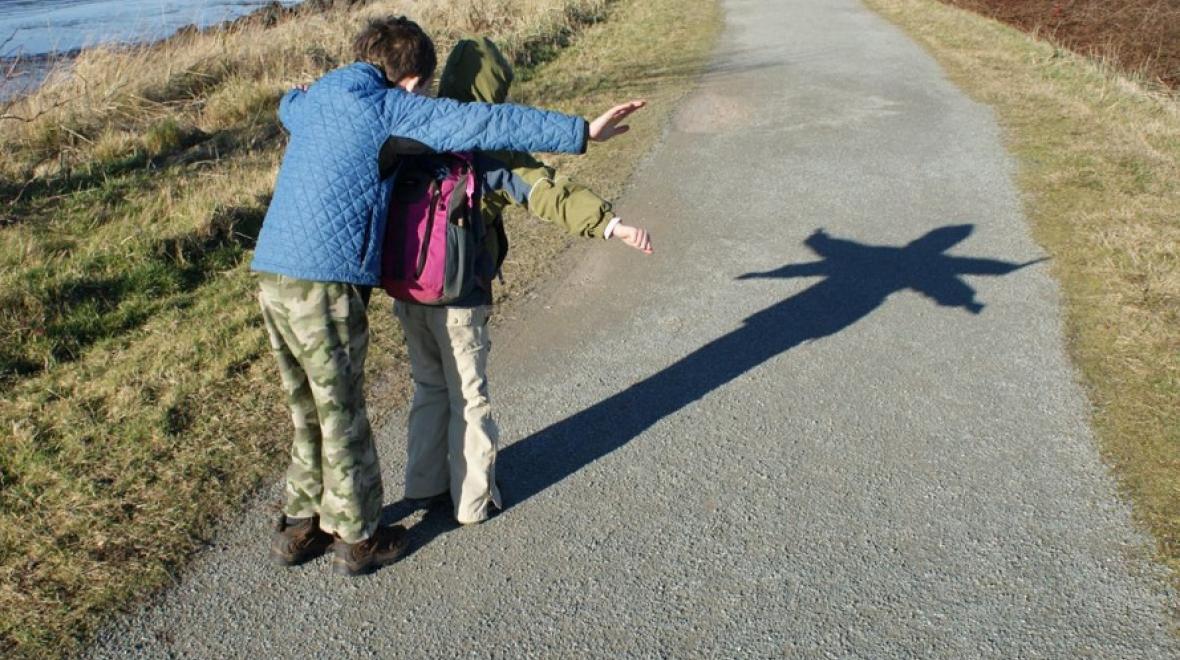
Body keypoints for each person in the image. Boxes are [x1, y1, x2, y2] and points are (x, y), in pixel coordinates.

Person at [253, 16, 645, 576]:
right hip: (330, 282)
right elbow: (491, 123)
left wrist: (302, 90)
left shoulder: (319, 100)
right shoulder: (393, 109)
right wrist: (582, 132)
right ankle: (359, 538)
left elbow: (285, 104)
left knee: (308, 408)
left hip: (273, 270)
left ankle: (300, 525)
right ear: (412, 81)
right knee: (347, 413)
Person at [387, 37, 653, 527]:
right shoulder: (490, 145)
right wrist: (611, 224)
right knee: (469, 396)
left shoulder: (410, 130)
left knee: (428, 386)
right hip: (460, 293)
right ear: (493, 90)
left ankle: (423, 486)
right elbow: (547, 193)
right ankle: (472, 501)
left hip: (407, 290)